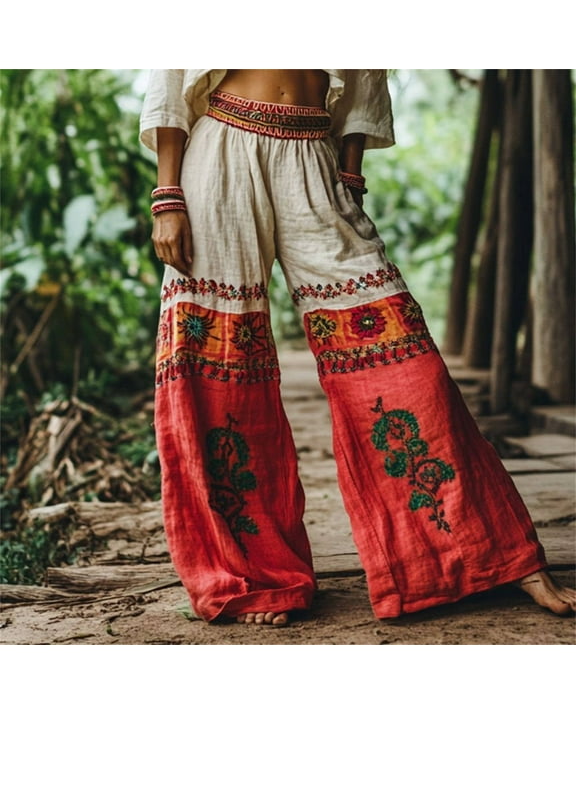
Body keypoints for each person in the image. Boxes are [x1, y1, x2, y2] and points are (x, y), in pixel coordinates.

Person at [140, 70, 575, 626]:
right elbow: (171, 75)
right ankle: (255, 574)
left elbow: (364, 81)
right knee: (218, 361)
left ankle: (493, 553)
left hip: (315, 161)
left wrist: (349, 176)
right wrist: (167, 194)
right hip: (221, 148)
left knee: (403, 352)